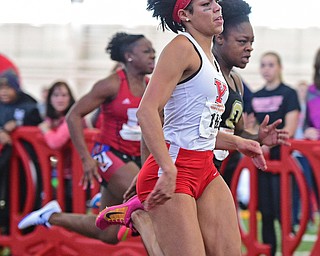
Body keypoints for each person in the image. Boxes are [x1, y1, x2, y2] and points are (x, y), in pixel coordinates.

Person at [96, 1, 268, 255]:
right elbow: (148, 112)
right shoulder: (181, 47)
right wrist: (164, 168)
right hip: (175, 168)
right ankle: (142, 219)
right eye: (205, 4)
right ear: (185, 15)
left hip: (205, 168)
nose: (217, 7)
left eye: (216, 2)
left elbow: (197, 130)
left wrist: (241, 142)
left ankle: (142, 215)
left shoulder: (212, 61)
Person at [18, 32, 157, 249]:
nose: (153, 55)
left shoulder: (152, 86)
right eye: (147, 51)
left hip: (134, 157)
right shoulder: (111, 84)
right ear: (129, 56)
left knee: (108, 233)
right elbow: (73, 115)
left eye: (153, 51)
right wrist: (85, 158)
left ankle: (51, 216)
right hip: (108, 154)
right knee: (150, 203)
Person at [212, 0, 289, 185]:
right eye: (242, 41)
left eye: (251, 41)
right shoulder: (201, 72)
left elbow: (237, 133)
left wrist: (258, 138)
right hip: (190, 168)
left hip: (220, 167)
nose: (249, 48)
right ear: (220, 37)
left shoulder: (237, 81)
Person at [251, 52, 300, 255]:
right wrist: (258, 143)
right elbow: (251, 127)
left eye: (271, 64)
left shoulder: (289, 93)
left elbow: (290, 127)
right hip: (262, 163)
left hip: (284, 163)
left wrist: (268, 145)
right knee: (266, 212)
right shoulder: (255, 96)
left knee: (284, 211)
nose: (267, 69)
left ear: (280, 67)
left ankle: (289, 250)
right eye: (263, 65)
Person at [0, 69, 42, 235]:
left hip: (23, 167)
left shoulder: (29, 105)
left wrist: (18, 127)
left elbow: (37, 126)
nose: (4, 91)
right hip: (4, 165)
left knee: (21, 198)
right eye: (0, 87)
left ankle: (22, 232)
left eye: (8, 87)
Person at [38, 81, 80, 212]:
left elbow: (56, 142)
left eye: (64, 95)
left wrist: (46, 130)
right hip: (60, 174)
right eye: (56, 95)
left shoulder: (73, 117)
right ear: (49, 99)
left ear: (70, 98)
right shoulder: (52, 119)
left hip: (77, 173)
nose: (60, 99)